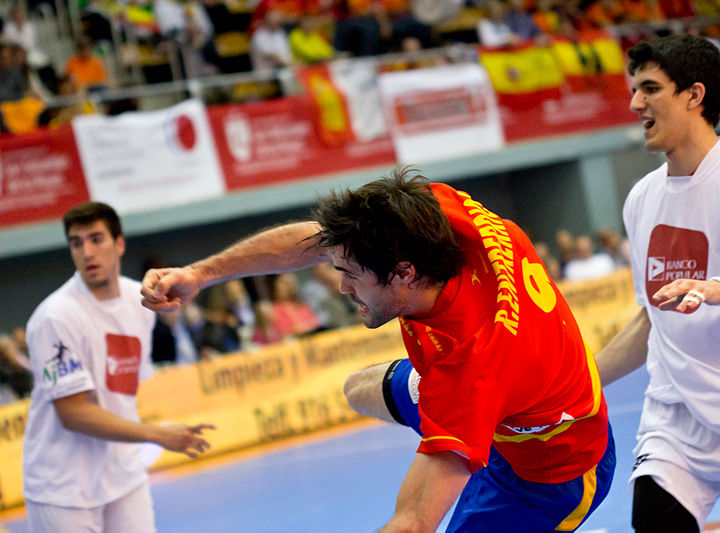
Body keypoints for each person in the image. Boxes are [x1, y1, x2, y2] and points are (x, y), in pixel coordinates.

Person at [141, 167, 615, 531]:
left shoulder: (471, 369)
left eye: (351, 275)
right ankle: (471, 439)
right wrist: (201, 273)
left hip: (554, 472)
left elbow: (413, 520)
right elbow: (316, 242)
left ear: (405, 273)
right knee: (359, 388)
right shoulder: (436, 214)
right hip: (502, 391)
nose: (342, 287)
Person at [595, 34, 720, 532]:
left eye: (649, 88)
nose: (634, 102)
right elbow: (653, 321)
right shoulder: (641, 199)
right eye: (633, 89)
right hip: (679, 421)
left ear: (694, 95)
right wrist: (578, 381)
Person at [22, 202, 214, 533]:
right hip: (62, 488)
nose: (87, 252)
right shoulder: (55, 317)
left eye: (96, 239)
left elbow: (124, 390)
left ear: (120, 243)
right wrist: (157, 434)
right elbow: (73, 413)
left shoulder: (138, 301)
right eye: (76, 243)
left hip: (123, 477)